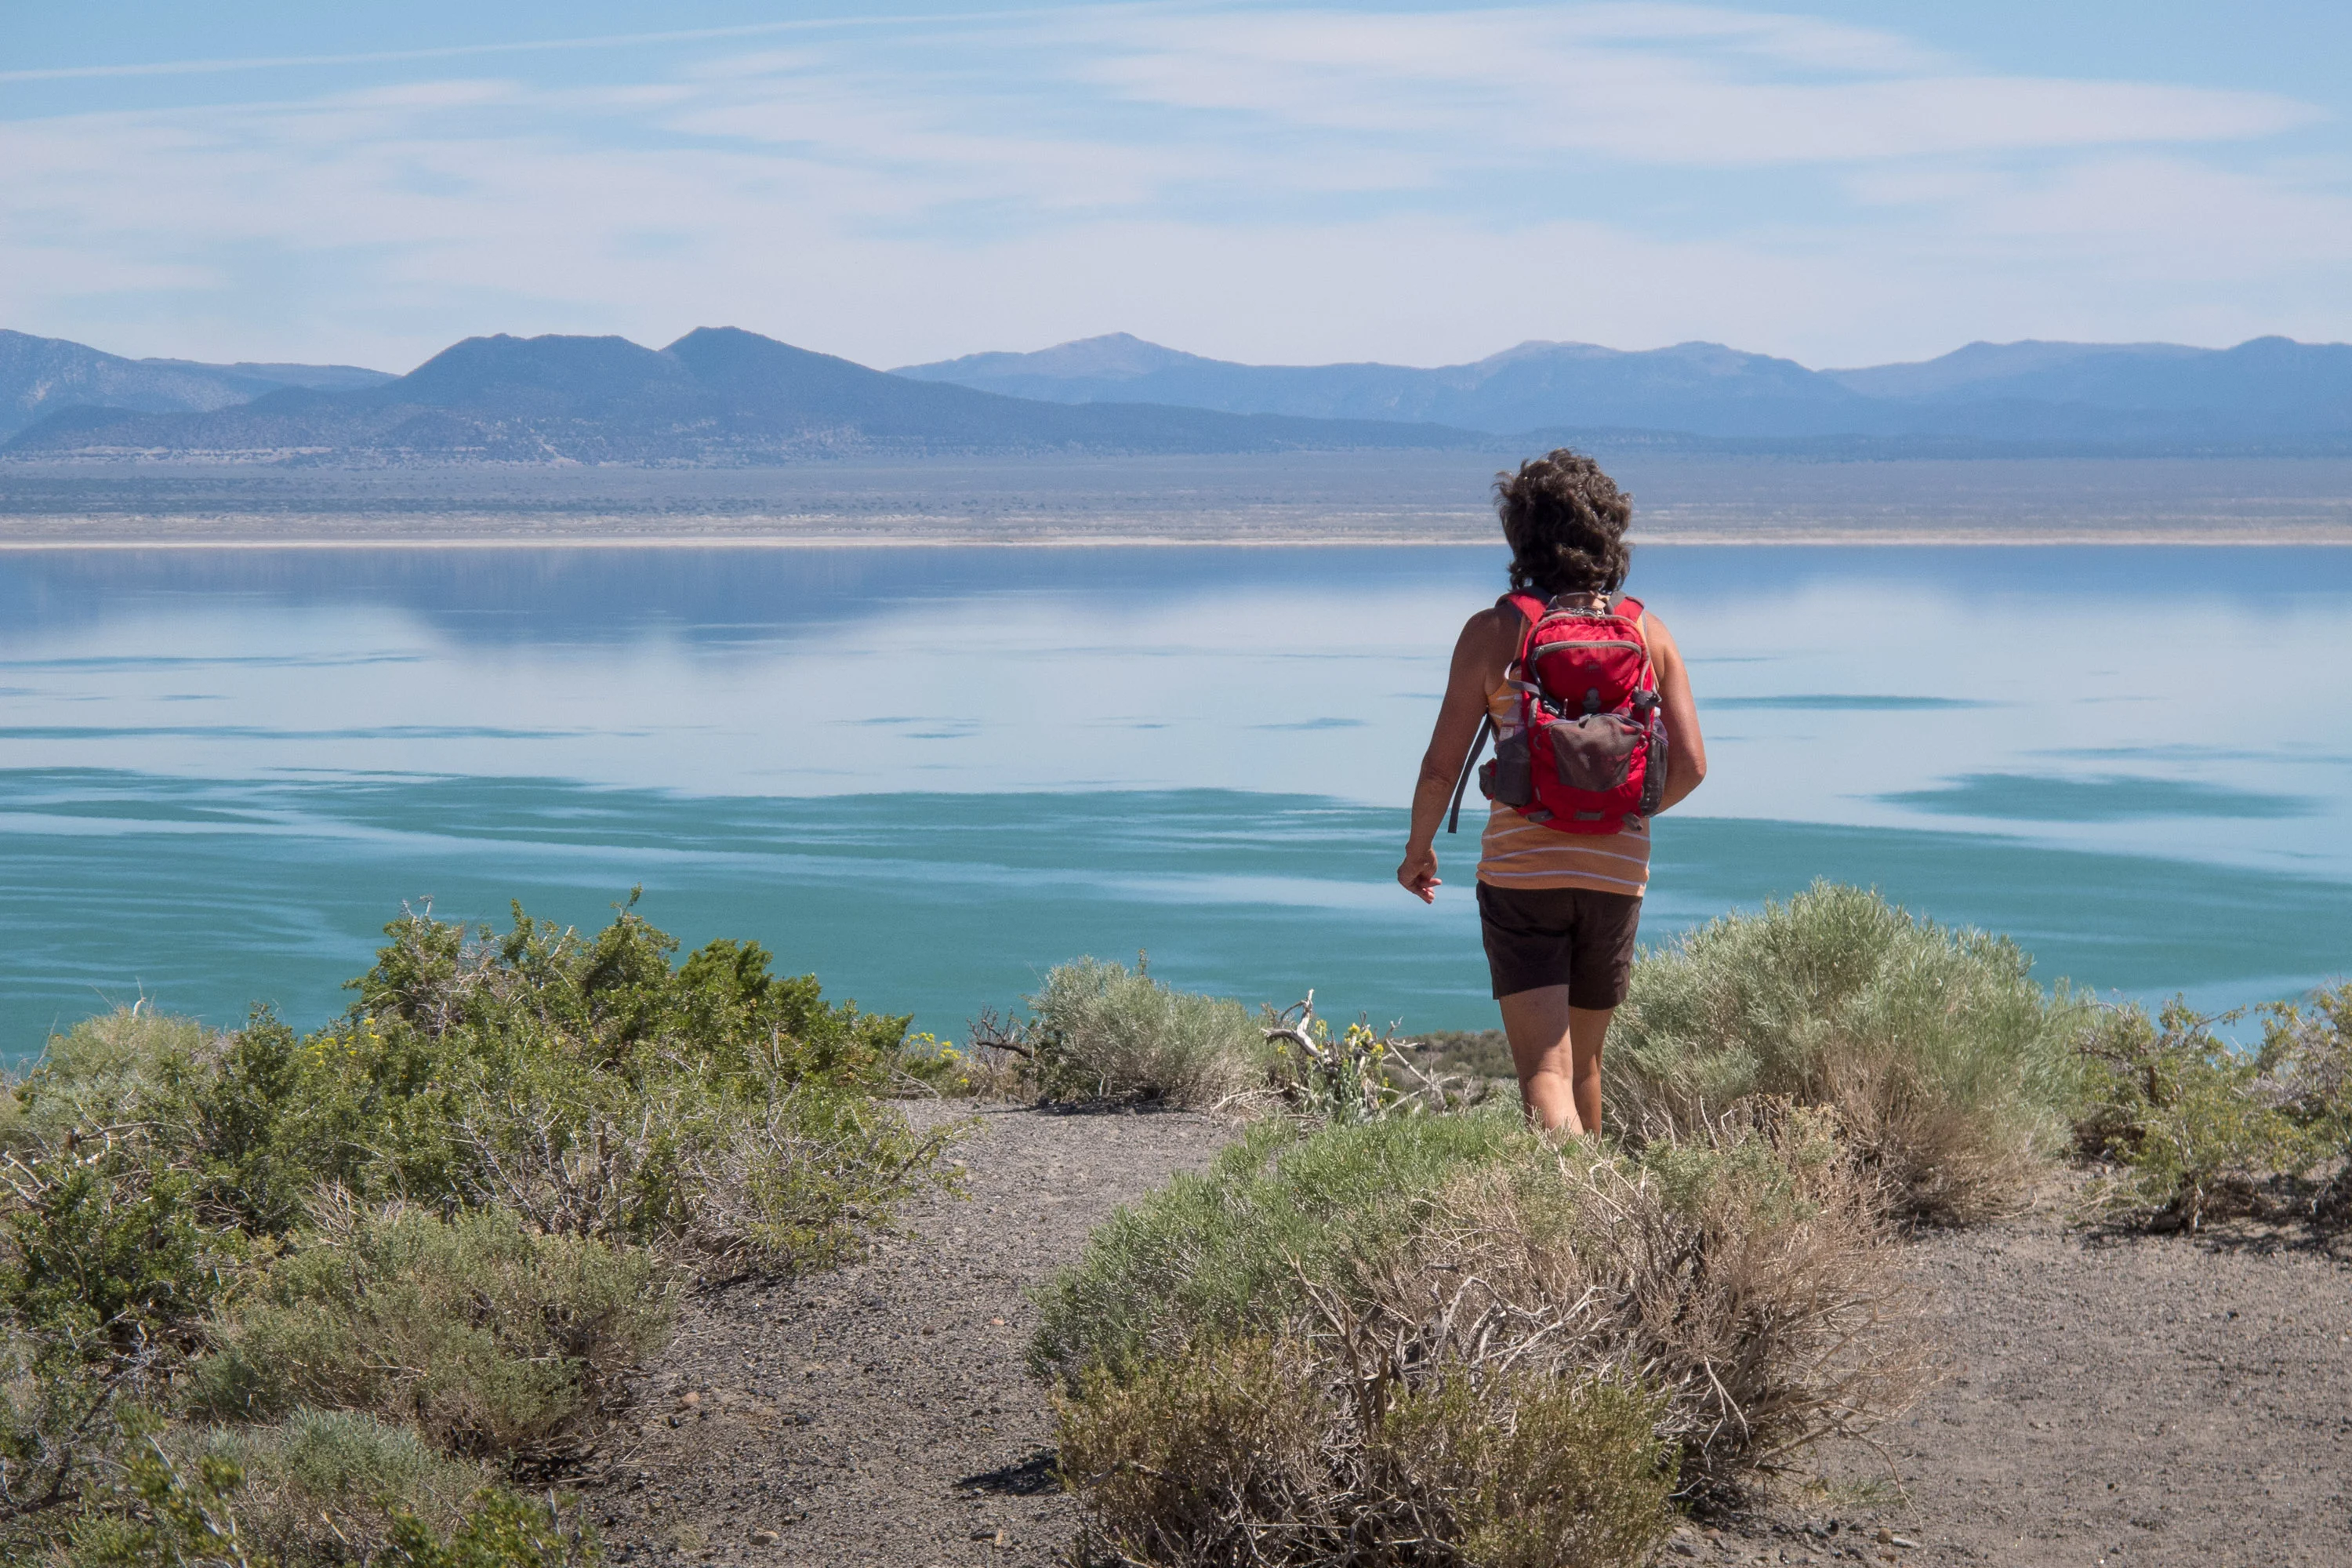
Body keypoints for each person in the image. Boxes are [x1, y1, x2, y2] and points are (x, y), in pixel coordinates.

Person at [1396, 450, 1706, 1136]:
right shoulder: (1649, 633)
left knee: (1544, 1071)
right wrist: (1621, 812)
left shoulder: (1495, 633)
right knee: (1586, 1067)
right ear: (1610, 534)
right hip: (1617, 876)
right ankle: (1599, 1228)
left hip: (1523, 876)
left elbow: (1440, 769)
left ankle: (1562, 1220)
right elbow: (1691, 765)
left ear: (1521, 536)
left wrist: (1417, 852)